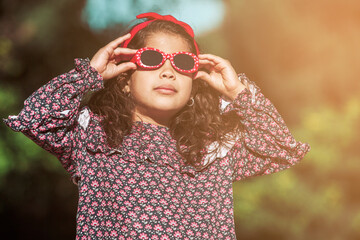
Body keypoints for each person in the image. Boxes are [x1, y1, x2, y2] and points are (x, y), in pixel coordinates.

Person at [4, 12, 310, 240]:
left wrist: (238, 93)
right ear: (124, 79)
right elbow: (36, 120)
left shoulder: (213, 150)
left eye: (183, 63)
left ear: (194, 80)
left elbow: (277, 148)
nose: (168, 72)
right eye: (152, 58)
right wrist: (88, 75)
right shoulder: (93, 135)